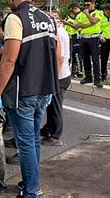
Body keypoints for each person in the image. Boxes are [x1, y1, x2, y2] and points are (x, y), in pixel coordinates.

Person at [0, 0, 60, 198]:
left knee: (26, 143)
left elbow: (9, 60)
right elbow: (57, 57)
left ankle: (32, 191)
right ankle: (30, 183)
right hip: (44, 89)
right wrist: (51, 90)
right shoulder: (48, 18)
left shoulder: (15, 18)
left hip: (23, 91)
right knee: (34, 140)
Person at [41, 12, 71, 146]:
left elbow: (59, 58)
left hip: (60, 76)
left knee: (56, 107)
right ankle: (48, 128)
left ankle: (55, 136)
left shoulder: (58, 34)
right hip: (63, 74)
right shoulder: (62, 31)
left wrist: (54, 79)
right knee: (52, 106)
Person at [74, 0, 105, 88]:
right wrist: (89, 23)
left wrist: (88, 15)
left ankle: (98, 79)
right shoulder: (81, 14)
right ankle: (88, 76)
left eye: (88, 5)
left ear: (93, 4)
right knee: (85, 58)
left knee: (95, 59)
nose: (86, 7)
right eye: (85, 5)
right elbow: (77, 25)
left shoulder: (99, 12)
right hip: (83, 38)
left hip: (94, 38)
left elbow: (94, 21)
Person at [63, 4, 83, 77]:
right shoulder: (67, 19)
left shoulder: (80, 17)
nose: (72, 12)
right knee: (69, 56)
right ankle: (72, 72)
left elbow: (77, 27)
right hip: (70, 38)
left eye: (72, 10)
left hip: (76, 37)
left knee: (77, 55)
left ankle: (79, 72)